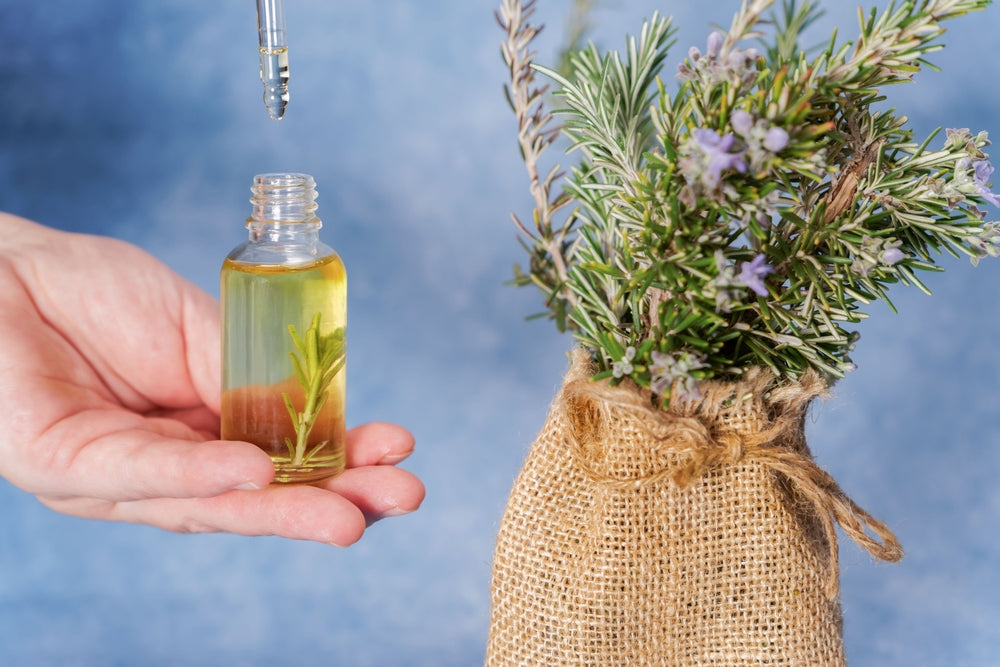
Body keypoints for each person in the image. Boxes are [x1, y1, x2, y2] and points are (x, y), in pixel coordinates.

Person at [0, 212, 425, 546]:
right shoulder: (244, 265)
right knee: (248, 456)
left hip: (309, 448)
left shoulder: (326, 266)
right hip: (260, 445)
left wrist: (20, 255)